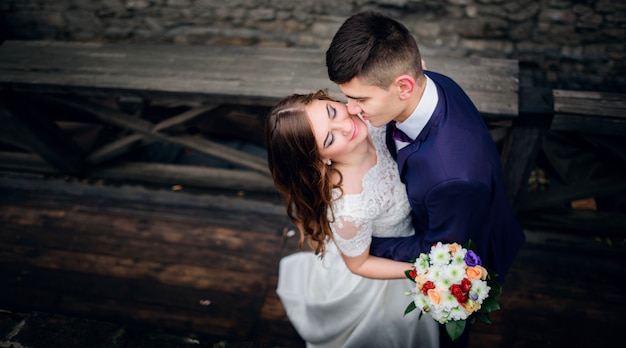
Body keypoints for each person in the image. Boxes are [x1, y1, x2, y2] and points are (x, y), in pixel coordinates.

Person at [325, 11, 526, 347]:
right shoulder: (429, 83)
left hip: (466, 256)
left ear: (403, 86)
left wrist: (360, 245)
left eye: (360, 99)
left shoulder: (451, 177)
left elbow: (442, 252)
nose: (351, 109)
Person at [266, 90, 439, 348]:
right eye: (329, 138)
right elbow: (359, 265)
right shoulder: (350, 209)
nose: (346, 126)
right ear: (322, 159)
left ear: (330, 98)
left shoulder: (370, 118)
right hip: (386, 261)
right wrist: (420, 272)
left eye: (332, 112)